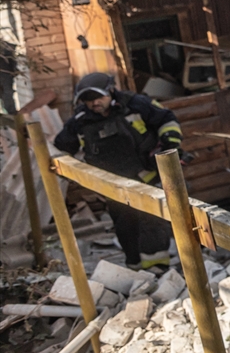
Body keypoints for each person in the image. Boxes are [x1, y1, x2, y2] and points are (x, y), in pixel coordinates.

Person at [55, 72, 184, 269]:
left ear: (111, 91)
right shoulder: (80, 121)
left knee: (152, 221)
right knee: (125, 226)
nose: (94, 103)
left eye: (98, 97)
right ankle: (135, 268)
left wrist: (170, 146)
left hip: (145, 177)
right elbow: (62, 147)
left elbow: (167, 120)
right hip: (112, 186)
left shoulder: (135, 104)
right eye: (88, 100)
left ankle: (158, 268)